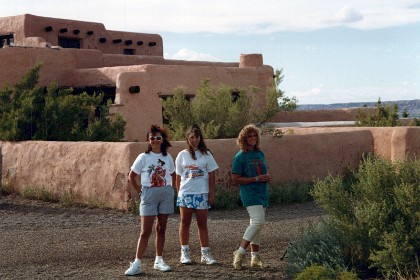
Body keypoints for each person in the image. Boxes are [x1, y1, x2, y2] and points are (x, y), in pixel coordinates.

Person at [125, 124, 176, 276]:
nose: (155, 140)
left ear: (162, 140)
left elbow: (173, 174)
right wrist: (140, 189)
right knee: (145, 231)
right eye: (152, 137)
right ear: (148, 140)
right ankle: (137, 263)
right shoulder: (143, 157)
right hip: (149, 193)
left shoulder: (167, 157)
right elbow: (132, 176)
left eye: (158, 137)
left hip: (165, 193)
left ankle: (159, 260)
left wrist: (172, 189)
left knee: (161, 228)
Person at [175, 124, 219, 265]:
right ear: (187, 139)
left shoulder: (206, 154)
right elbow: (178, 176)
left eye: (197, 137)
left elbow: (212, 175)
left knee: (202, 224)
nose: (195, 140)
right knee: (185, 222)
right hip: (186, 193)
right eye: (192, 137)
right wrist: (179, 193)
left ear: (200, 138)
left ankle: (205, 253)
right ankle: (185, 252)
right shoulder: (182, 155)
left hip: (202, 193)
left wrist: (211, 193)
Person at [231, 124, 271, 270]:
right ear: (244, 138)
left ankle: (255, 258)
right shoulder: (240, 156)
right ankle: (240, 252)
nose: (253, 138)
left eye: (255, 136)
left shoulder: (260, 154)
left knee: (257, 226)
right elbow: (236, 178)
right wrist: (256, 179)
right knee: (258, 222)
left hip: (262, 192)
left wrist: (265, 177)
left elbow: (261, 171)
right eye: (249, 136)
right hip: (250, 193)